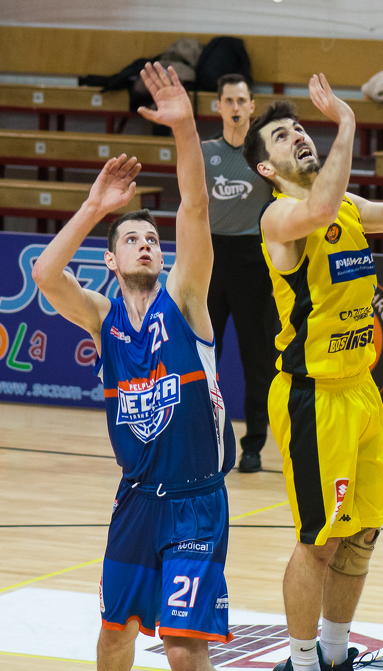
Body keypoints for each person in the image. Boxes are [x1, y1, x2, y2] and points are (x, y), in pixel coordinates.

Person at [242, 74, 383, 671]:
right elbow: (316, 208)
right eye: (282, 136)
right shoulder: (279, 218)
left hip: (360, 391)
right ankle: (301, 662)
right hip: (312, 397)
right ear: (265, 168)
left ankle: (337, 655)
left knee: (362, 533)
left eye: (299, 128)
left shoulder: (348, 206)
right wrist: (346, 121)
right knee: (319, 542)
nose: (298, 137)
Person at [32, 61, 236, 671]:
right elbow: (46, 275)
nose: (146, 243)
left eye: (152, 238)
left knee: (182, 646)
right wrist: (96, 206)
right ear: (112, 262)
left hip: (196, 501)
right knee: (114, 636)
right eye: (132, 239)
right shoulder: (103, 318)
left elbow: (195, 207)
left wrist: (184, 129)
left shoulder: (186, 299)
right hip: (136, 501)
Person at [201, 73, 278, 474]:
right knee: (203, 356)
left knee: (257, 359)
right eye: (228, 100)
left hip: (253, 261)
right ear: (218, 106)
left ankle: (254, 446)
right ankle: (205, 440)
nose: (234, 107)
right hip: (211, 259)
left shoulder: (266, 154)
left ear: (252, 107)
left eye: (241, 101)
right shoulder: (204, 152)